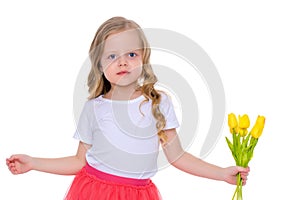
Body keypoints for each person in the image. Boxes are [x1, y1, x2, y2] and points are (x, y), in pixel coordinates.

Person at [6, 16, 249, 200]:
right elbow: (79, 161)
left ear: (143, 59)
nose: (122, 61)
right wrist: (33, 163)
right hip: (93, 192)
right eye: (112, 56)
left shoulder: (158, 103)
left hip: (139, 195)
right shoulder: (94, 108)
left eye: (131, 54)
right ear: (99, 64)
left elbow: (177, 156)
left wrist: (221, 173)